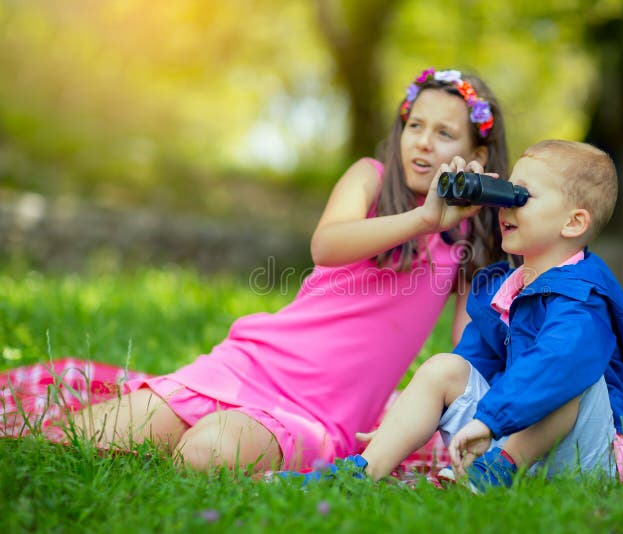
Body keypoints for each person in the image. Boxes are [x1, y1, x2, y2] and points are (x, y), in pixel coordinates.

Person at [69, 67, 511, 473]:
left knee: (202, 454)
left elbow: (467, 347)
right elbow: (327, 245)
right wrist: (423, 220)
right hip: (255, 364)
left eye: (445, 133)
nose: (423, 142)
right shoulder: (371, 177)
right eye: (414, 125)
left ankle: (229, 431)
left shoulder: (472, 234)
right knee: (86, 438)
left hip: (323, 412)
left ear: (478, 153)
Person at [298, 140, 623, 492]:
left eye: (522, 196)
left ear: (573, 222)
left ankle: (498, 470)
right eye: (508, 192)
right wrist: (405, 423)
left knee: (569, 374)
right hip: (507, 433)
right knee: (444, 367)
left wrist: (491, 419)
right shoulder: (507, 288)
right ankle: (362, 472)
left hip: (580, 457)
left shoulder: (583, 296)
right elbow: (474, 360)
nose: (506, 207)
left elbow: (557, 364)